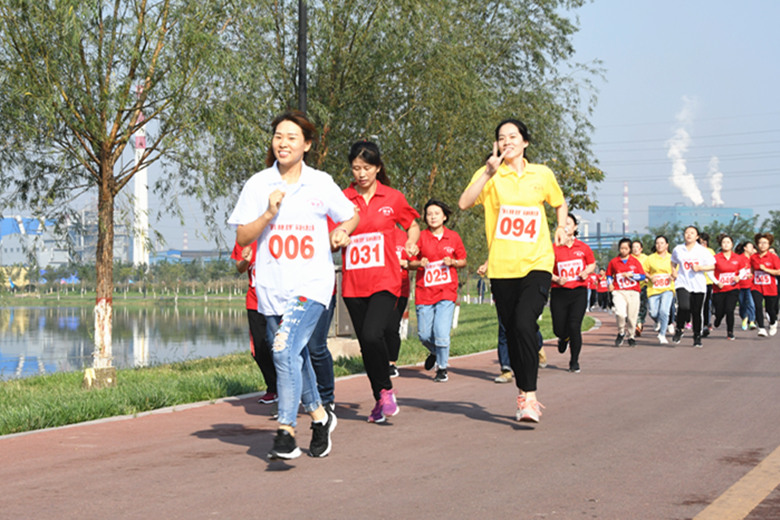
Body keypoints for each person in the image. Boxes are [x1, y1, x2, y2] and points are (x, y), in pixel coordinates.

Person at [229, 111, 359, 460]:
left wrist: (342, 230)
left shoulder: (321, 182)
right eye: (278, 136)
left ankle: (286, 430)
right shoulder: (258, 184)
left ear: (307, 144)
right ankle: (319, 415)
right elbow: (242, 236)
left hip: (312, 284)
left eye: (291, 137)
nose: (283, 143)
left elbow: (351, 213)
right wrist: (268, 214)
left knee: (283, 350)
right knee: (294, 356)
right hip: (272, 287)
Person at [459, 118, 567, 424]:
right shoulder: (490, 174)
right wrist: (488, 172)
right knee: (514, 329)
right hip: (503, 268)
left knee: (523, 323)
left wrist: (560, 226)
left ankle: (529, 398)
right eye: (501, 138)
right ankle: (523, 391)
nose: (507, 141)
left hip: (537, 263)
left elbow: (559, 203)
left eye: (513, 136)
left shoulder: (541, 174)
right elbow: (464, 203)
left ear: (525, 142)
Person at [340, 141, 420, 424]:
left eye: (367, 168)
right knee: (366, 343)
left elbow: (412, 224)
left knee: (374, 334)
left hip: (386, 280)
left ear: (377, 168)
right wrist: (338, 237)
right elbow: (330, 232)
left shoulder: (393, 198)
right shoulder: (343, 198)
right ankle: (381, 398)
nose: (361, 173)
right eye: (356, 168)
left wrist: (411, 241)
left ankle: (386, 390)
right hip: (353, 285)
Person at [408, 199, 467, 382]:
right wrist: (419, 263)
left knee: (441, 332)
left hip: (446, 292)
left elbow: (463, 260)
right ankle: (434, 351)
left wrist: (453, 262)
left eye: (436, 213)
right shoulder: (420, 237)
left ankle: (442, 368)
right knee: (424, 334)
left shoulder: (454, 237)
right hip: (424, 292)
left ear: (444, 216)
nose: (432, 217)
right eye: (429, 214)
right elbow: (410, 263)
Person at [232, 241, 278, 407]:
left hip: (278, 301)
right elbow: (240, 267)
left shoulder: (278, 231)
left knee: (281, 345)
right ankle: (273, 387)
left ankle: (291, 387)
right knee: (259, 347)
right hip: (255, 302)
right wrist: (246, 260)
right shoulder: (245, 238)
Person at [550, 213, 595, 372]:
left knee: (575, 325)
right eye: (564, 223)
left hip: (579, 291)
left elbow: (591, 263)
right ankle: (563, 337)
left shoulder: (583, 247)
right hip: (559, 292)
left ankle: (574, 361)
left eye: (570, 223)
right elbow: (545, 268)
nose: (567, 226)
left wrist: (586, 272)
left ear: (575, 227)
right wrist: (556, 278)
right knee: (558, 327)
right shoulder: (553, 247)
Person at [670, 226, 715, 347]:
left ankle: (697, 336)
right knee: (684, 306)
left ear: (697, 236)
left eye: (692, 233)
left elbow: (713, 266)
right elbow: (673, 260)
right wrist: (673, 270)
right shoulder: (678, 249)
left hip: (698, 285)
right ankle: (679, 328)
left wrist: (700, 268)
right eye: (686, 233)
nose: (688, 235)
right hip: (682, 282)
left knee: (696, 311)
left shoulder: (703, 251)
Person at [606, 238, 646, 347]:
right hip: (619, 291)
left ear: (630, 249)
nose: (623, 250)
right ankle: (621, 332)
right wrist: (609, 283)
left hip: (633, 291)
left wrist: (632, 275)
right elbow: (609, 274)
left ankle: (631, 336)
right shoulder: (614, 262)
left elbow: (642, 276)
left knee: (632, 317)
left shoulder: (635, 262)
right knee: (620, 313)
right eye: (621, 248)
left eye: (626, 248)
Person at [386, 226, 412, 379]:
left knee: (392, 326)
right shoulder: (375, 234)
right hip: (378, 287)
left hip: (399, 289)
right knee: (378, 329)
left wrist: (405, 263)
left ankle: (391, 363)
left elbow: (414, 262)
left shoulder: (406, 237)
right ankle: (378, 360)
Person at [711, 233, 745, 340]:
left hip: (733, 288)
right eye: (724, 242)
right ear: (721, 244)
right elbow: (709, 273)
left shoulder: (738, 258)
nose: (726, 244)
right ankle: (718, 319)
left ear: (732, 244)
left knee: (730, 310)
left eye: (728, 242)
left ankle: (730, 332)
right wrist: (717, 282)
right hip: (719, 289)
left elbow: (743, 271)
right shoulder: (716, 258)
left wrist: (739, 277)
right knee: (720, 310)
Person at [644, 235, 675, 344]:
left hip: (667, 288)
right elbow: (644, 271)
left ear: (667, 245)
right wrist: (650, 277)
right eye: (657, 243)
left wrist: (673, 276)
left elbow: (677, 271)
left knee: (664, 311)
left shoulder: (672, 258)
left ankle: (662, 334)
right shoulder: (650, 258)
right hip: (654, 289)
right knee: (653, 312)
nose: (659, 245)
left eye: (662, 243)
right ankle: (659, 322)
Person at [750, 233, 780, 337]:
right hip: (756, 286)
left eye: (765, 243)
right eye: (760, 243)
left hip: (770, 287)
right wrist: (750, 274)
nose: (762, 245)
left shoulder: (773, 257)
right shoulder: (753, 257)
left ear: (769, 244)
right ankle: (761, 328)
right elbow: (752, 269)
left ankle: (773, 323)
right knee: (758, 306)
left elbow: (778, 272)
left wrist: (766, 269)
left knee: (770, 309)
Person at [735, 241, 757, 330]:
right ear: (745, 248)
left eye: (753, 247)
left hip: (751, 285)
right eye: (750, 247)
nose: (752, 248)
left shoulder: (753, 259)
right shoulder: (739, 258)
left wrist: (752, 275)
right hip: (740, 285)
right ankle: (744, 318)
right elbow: (735, 271)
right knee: (742, 304)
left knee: (751, 303)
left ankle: (752, 321)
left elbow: (756, 270)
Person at [699, 232, 717, 336]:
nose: (702, 244)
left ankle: (706, 324)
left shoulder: (710, 251)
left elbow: (714, 266)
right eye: (700, 242)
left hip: (708, 281)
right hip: (696, 282)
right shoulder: (693, 252)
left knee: (706, 303)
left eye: (704, 242)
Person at [631, 240, 649, 337]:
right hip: (631, 287)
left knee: (642, 305)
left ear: (641, 248)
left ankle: (639, 323)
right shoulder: (629, 259)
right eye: (633, 247)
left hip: (643, 286)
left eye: (637, 247)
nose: (635, 249)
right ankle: (634, 324)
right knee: (631, 307)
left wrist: (647, 278)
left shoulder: (646, 258)